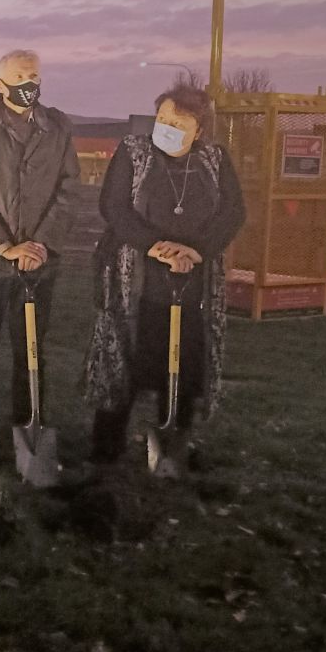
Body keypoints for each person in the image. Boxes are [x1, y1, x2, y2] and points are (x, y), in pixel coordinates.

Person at [83, 84, 246, 467]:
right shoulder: (133, 152)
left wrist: (196, 251)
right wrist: (154, 247)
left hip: (193, 281)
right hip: (137, 281)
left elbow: (232, 213)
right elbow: (114, 206)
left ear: (199, 129)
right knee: (125, 358)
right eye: (162, 119)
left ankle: (174, 440)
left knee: (184, 366)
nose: (167, 127)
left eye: (178, 121)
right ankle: (106, 445)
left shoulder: (215, 160)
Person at [0, 49, 80, 462]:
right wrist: (4, 246)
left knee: (32, 353)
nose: (29, 83)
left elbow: (68, 189)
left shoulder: (57, 127)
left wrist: (40, 244)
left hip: (39, 265)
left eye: (34, 75)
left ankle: (29, 427)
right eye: (20, 75)